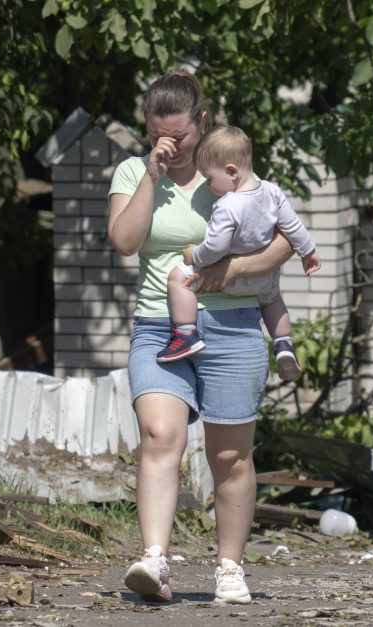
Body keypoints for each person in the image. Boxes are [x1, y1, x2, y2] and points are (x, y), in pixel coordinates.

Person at [107, 70, 297, 605]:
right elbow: (124, 241)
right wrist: (151, 173)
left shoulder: (233, 172)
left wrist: (235, 272)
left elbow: (285, 239)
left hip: (234, 326)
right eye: (156, 133)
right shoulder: (132, 170)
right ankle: (154, 559)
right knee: (159, 435)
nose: (169, 144)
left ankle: (230, 569)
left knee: (230, 457)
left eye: (179, 136)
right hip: (159, 323)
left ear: (202, 123)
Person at [155, 125, 321, 381]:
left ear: (231, 171)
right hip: (264, 276)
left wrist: (194, 255)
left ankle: (186, 334)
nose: (209, 186)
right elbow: (292, 226)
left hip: (228, 280)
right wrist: (308, 252)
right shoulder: (272, 192)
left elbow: (215, 248)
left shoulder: (227, 205)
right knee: (273, 301)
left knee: (178, 279)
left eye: (209, 179)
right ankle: (283, 343)